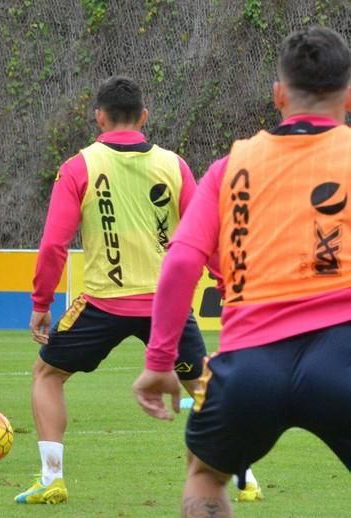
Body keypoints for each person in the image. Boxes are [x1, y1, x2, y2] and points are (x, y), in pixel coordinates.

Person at [134, 26, 351, 517]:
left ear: (278, 95)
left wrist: (160, 360)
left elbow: (183, 262)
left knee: (205, 476)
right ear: (349, 96)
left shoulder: (231, 166)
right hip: (343, 352)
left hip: (251, 359)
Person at [15, 76, 209, 504]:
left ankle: (52, 479)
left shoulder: (79, 166)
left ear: (98, 117)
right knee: (205, 390)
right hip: (166, 305)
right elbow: (203, 234)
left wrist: (41, 303)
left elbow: (53, 244)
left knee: (47, 375)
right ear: (144, 116)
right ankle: (240, 477)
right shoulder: (174, 166)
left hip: (103, 304)